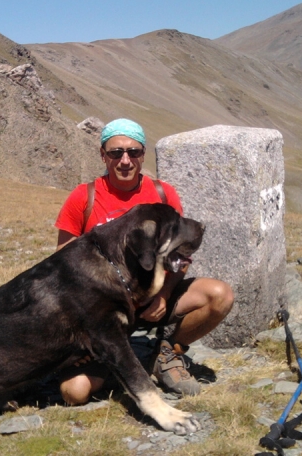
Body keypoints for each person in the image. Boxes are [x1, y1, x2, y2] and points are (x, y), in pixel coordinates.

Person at [54, 118, 234, 405]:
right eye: (115, 153)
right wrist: (83, 331)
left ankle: (168, 353)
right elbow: (62, 265)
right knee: (73, 393)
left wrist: (163, 295)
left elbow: (180, 256)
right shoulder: (83, 197)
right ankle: (115, 359)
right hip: (104, 312)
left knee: (220, 295)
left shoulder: (163, 194)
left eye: (133, 152)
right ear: (103, 155)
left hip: (152, 299)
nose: (125, 160)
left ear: (142, 155)